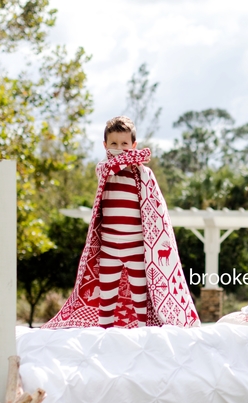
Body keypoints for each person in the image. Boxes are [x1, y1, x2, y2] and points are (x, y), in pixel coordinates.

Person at [42, 116, 200, 329]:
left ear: (133, 145)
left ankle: (145, 334)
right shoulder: (105, 171)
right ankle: (104, 335)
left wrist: (136, 158)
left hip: (135, 248)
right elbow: (110, 167)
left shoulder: (142, 175)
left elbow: (155, 208)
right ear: (105, 145)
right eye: (114, 144)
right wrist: (136, 155)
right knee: (106, 300)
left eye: (124, 144)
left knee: (140, 300)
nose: (119, 148)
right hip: (109, 249)